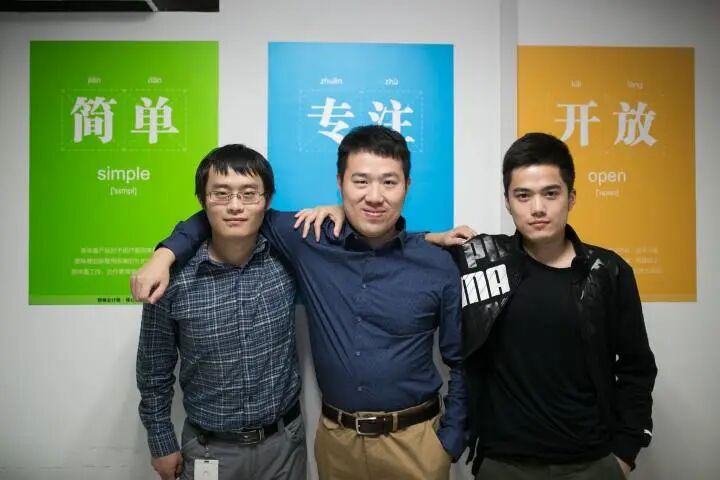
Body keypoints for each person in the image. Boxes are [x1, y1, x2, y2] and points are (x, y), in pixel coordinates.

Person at [303, 132, 657, 479]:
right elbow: (395, 247)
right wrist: (342, 212)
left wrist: (624, 454)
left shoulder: (607, 272)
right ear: (507, 201)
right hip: (502, 462)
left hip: (591, 460)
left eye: (551, 193)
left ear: (571, 197)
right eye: (523, 195)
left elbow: (636, 369)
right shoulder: (482, 259)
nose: (537, 208)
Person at [131, 125, 467, 480]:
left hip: (413, 443)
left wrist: (450, 440)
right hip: (334, 443)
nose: (374, 195)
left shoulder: (436, 263)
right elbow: (226, 215)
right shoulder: (308, 239)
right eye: (360, 181)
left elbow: (462, 360)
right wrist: (165, 254)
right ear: (340, 183)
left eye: (389, 182)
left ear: (407, 186)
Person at [136, 144, 305, 480]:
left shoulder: (288, 259)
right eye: (221, 194)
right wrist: (161, 442)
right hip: (209, 449)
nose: (235, 206)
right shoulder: (171, 279)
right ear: (203, 200)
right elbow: (153, 371)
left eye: (249, 194)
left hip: (284, 444)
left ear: (267, 200)